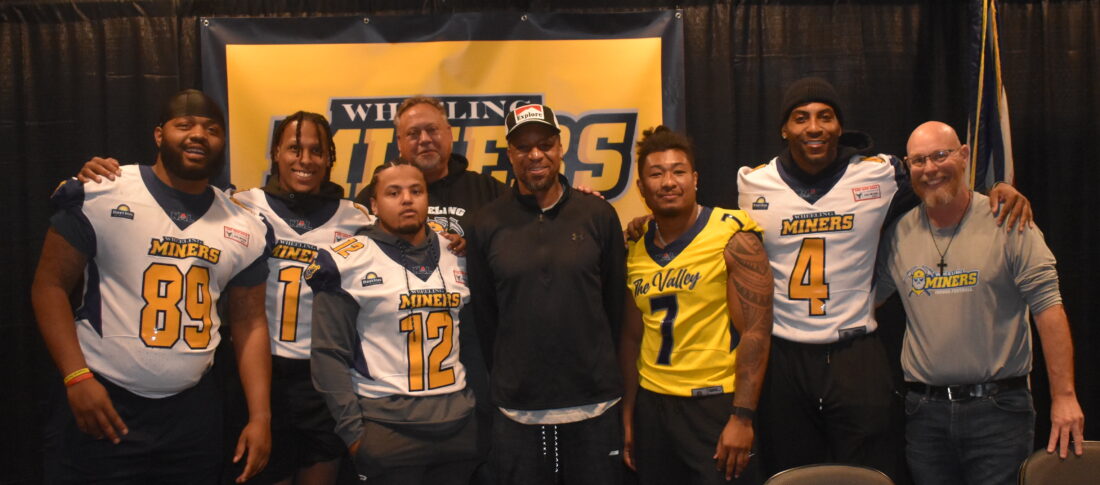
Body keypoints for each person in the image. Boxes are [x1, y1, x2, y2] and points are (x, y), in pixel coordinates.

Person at [735, 77, 1032, 480]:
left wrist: (997, 187)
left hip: (854, 349)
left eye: (825, 116)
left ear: (840, 126)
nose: (814, 127)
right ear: (784, 129)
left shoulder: (880, 174)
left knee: (869, 473)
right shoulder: (753, 183)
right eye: (801, 118)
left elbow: (940, 179)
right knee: (791, 473)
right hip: (785, 353)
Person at [31, 89, 273, 484]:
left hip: (192, 413)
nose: (199, 135)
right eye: (185, 125)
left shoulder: (243, 223)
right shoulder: (103, 189)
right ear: (159, 135)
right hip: (104, 397)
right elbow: (49, 286)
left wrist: (260, 416)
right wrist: (76, 377)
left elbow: (251, 323)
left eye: (212, 129)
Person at [875, 121, 1084, 485]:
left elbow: (1049, 309)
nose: (930, 168)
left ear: (964, 155)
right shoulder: (898, 234)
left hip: (998, 413)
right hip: (925, 416)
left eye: (940, 155)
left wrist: (1065, 396)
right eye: (919, 161)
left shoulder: (1010, 221)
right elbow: (862, 301)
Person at [466, 104, 626, 485]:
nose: (535, 155)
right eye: (523, 147)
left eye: (545, 144)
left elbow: (615, 306)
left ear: (561, 147)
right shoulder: (485, 223)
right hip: (518, 410)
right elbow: (486, 317)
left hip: (594, 404)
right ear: (509, 155)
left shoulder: (598, 214)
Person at [307, 159, 480, 484]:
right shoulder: (346, 261)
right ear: (374, 204)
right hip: (388, 430)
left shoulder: (458, 253)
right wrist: (355, 435)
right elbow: (328, 355)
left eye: (416, 191)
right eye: (393, 192)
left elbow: (475, 341)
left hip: (458, 429)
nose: (407, 199)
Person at [620, 126, 773, 485]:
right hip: (653, 405)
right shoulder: (635, 247)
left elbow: (756, 331)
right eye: (656, 174)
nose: (668, 182)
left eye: (678, 171)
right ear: (641, 187)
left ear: (695, 179)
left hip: (713, 403)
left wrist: (742, 417)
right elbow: (631, 338)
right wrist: (628, 415)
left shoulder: (732, 236)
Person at [230, 111, 375, 485]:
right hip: (260, 370)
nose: (305, 160)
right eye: (295, 149)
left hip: (323, 374)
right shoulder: (242, 206)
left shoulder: (357, 219)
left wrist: (452, 242)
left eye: (316, 151)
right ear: (276, 153)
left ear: (330, 158)